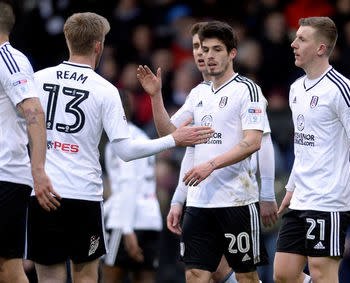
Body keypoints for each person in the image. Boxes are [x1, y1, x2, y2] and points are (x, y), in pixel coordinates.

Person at [26, 12, 213, 283]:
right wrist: (174, 139)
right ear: (98, 45)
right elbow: (125, 151)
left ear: (68, 40)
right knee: (87, 277)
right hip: (83, 196)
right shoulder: (105, 89)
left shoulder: (38, 79)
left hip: (44, 193)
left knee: (49, 279)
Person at [137, 21, 269, 283]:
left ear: (232, 53)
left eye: (217, 49)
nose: (209, 55)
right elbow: (169, 134)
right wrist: (155, 96)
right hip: (199, 203)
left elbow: (253, 142)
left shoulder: (248, 90)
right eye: (205, 49)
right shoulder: (198, 93)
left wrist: (210, 165)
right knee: (196, 274)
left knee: (247, 277)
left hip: (236, 200)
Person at [273, 17, 350, 283]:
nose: (293, 44)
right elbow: (303, 145)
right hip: (302, 196)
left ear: (321, 48)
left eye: (302, 39)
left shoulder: (342, 89)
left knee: (323, 272)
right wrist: (291, 186)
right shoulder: (295, 88)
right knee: (284, 274)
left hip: (330, 198)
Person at [0, 1, 58, 282]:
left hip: (6, 174)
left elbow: (34, 112)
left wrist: (38, 170)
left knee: (7, 268)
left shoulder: (10, 59)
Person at [102, 90, 162, 283]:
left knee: (110, 278)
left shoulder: (121, 142)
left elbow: (128, 186)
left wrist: (127, 230)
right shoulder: (142, 136)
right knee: (144, 277)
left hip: (125, 221)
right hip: (150, 220)